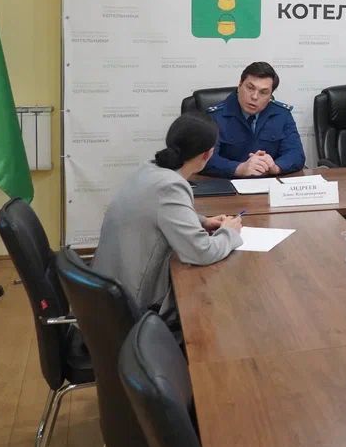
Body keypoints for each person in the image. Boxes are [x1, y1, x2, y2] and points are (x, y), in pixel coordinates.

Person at [94, 113, 243, 335]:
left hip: (106, 292)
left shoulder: (150, 169)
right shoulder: (171, 186)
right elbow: (201, 252)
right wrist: (230, 234)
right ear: (208, 154)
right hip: (132, 309)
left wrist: (202, 221)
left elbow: (155, 211)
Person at [203, 61, 305, 178]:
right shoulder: (215, 116)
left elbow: (296, 154)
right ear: (240, 85)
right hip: (228, 184)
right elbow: (205, 159)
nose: (255, 96)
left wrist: (275, 167)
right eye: (250, 88)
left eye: (263, 92)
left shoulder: (282, 114)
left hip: (269, 183)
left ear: (270, 95)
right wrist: (239, 168)